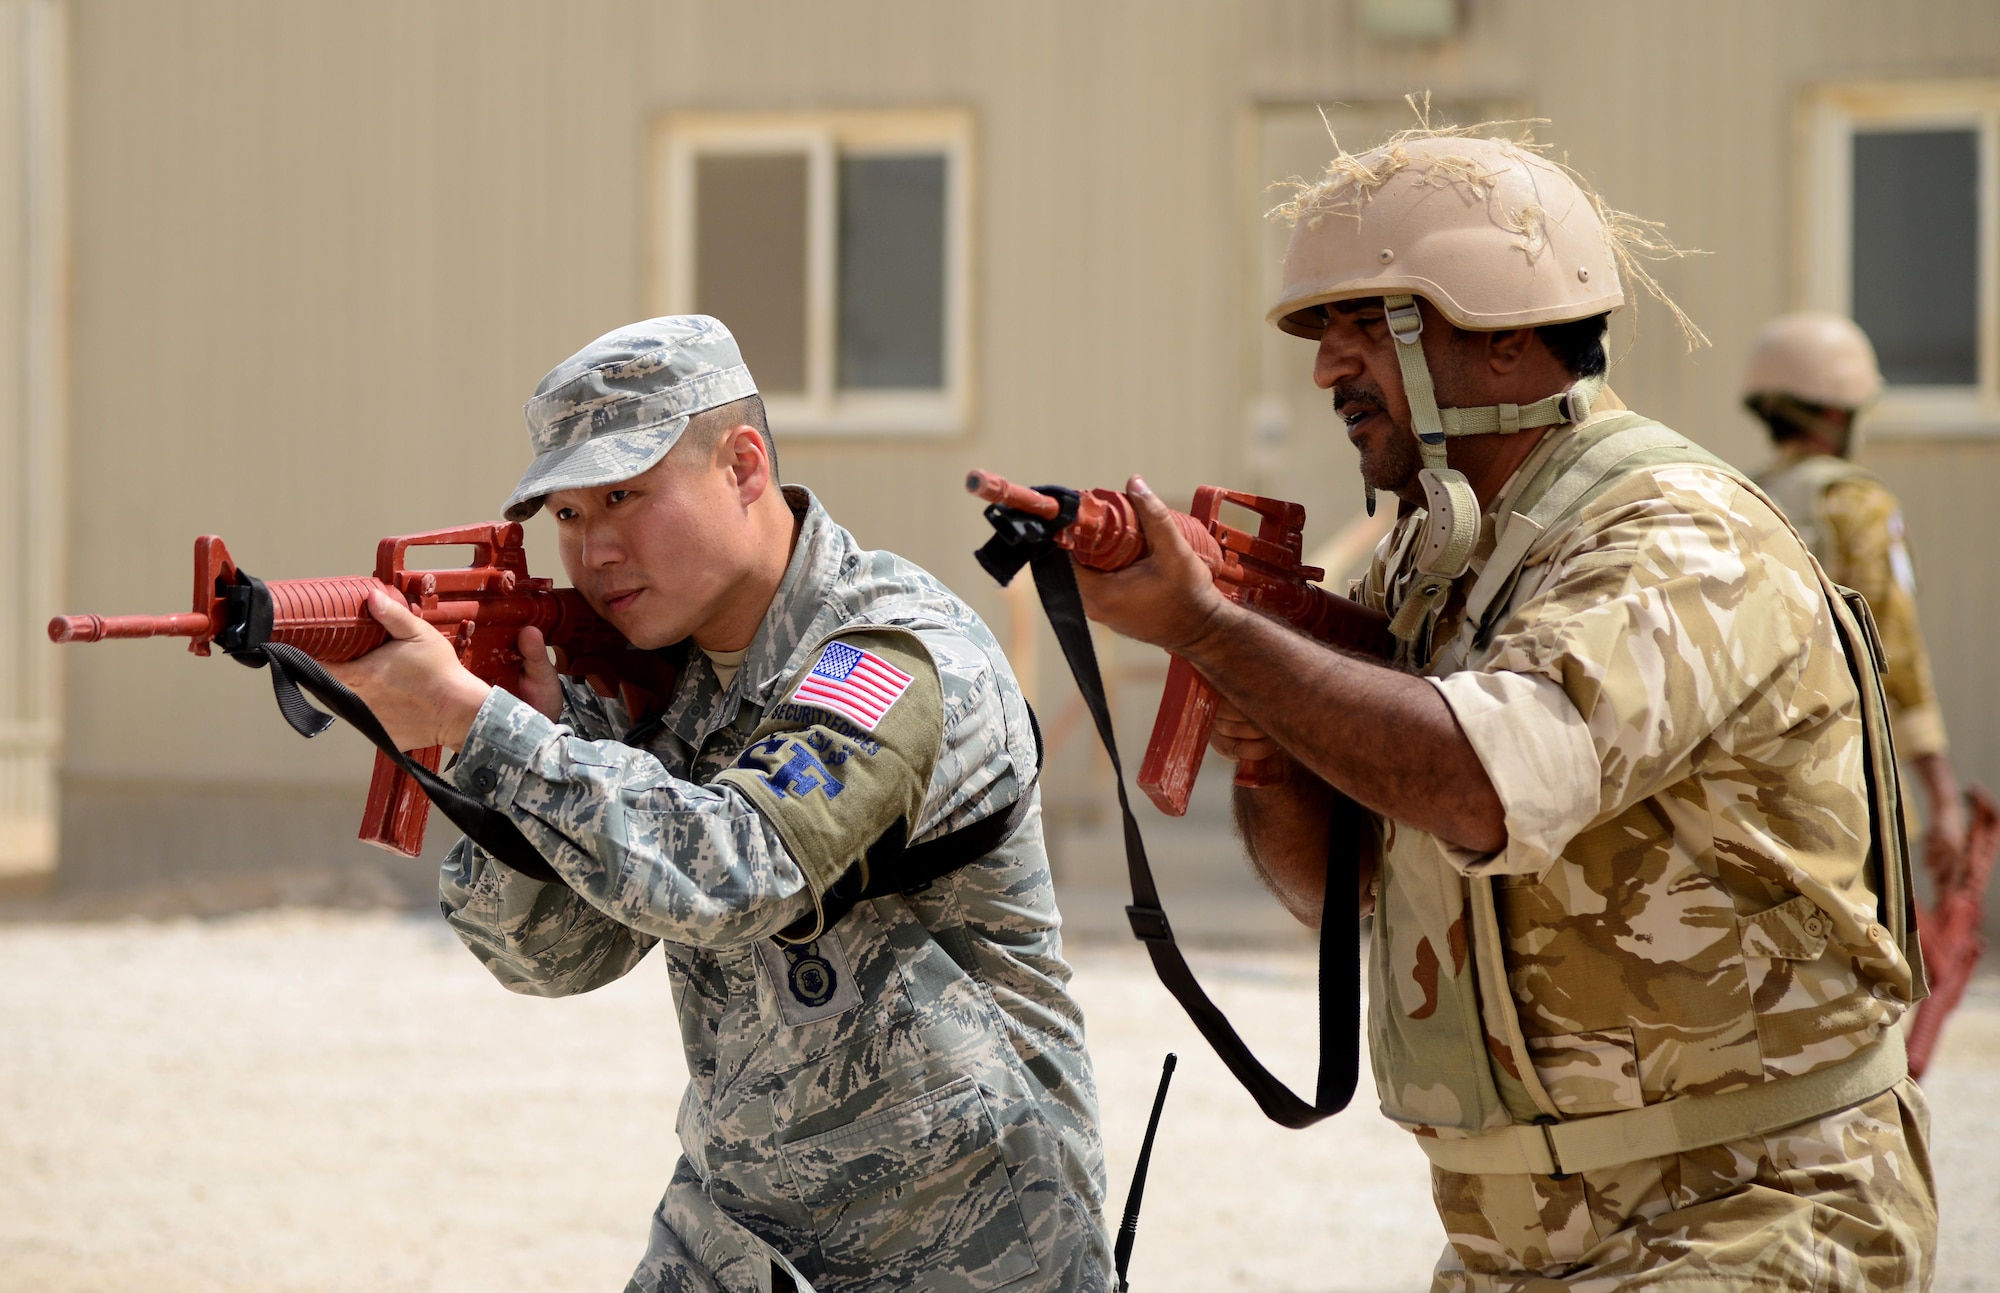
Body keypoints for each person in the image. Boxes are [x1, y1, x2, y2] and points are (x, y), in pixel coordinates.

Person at [1074, 131, 1934, 1290]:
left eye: (1367, 324)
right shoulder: (1435, 565)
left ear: (1507, 332)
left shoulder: (1673, 536)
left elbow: (1484, 782)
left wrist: (1214, 632)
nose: (1327, 369)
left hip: (1749, 1213)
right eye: (1320, 333)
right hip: (1517, 1245)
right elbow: (1336, 888)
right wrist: (1272, 747)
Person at [326, 315, 1113, 1293]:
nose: (593, 548)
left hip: (962, 1238)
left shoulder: (894, 654)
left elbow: (740, 870)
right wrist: (518, 753)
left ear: (742, 466)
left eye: (623, 496)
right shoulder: (670, 680)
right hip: (740, 1233)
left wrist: (484, 725)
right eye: (566, 516)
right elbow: (550, 956)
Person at [1744, 311, 1967, 862]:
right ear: (1835, 411)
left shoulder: (1742, 497)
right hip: (1846, 788)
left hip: (1750, 796)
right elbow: (1898, 651)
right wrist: (1943, 797)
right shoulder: (1860, 506)